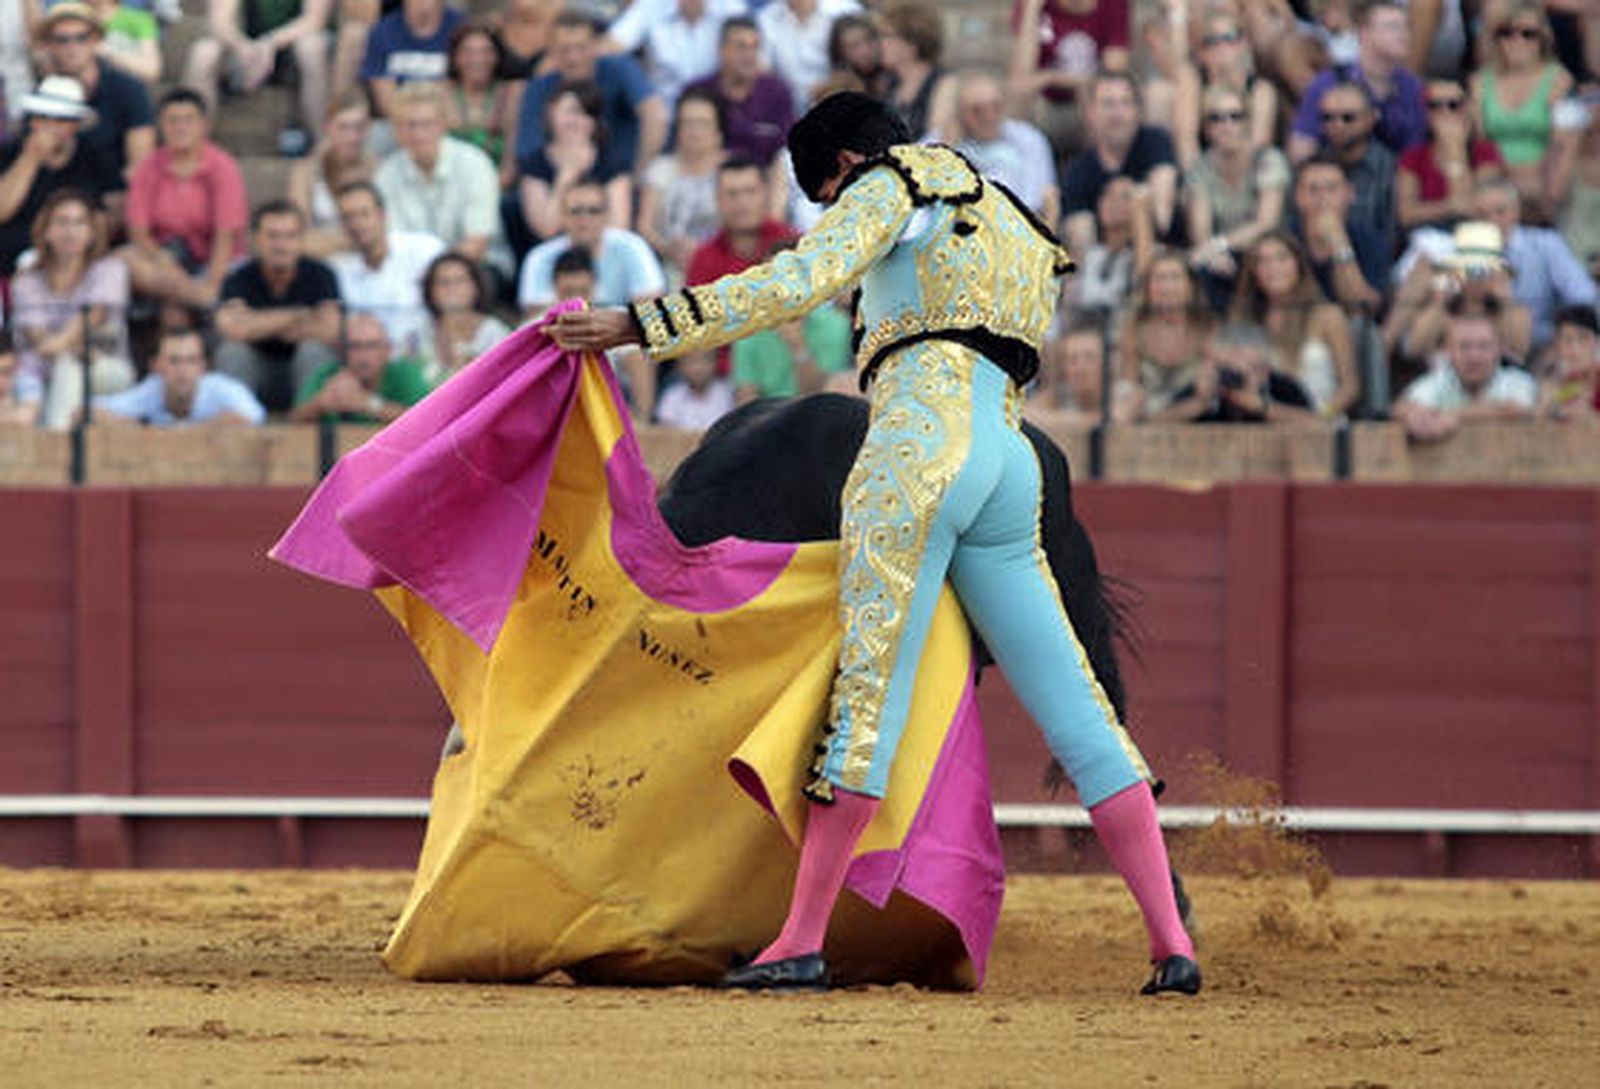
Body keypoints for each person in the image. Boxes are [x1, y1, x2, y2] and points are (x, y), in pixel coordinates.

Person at [551, 92, 1199, 997]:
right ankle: (1172, 941)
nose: (833, 214)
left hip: (918, 446)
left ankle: (801, 940)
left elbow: (790, 285)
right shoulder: (1010, 211)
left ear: (845, 168)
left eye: (827, 196)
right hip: (1007, 454)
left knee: (868, 702)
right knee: (1080, 710)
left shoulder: (885, 187)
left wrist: (638, 325)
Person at [9, 187, 135, 430]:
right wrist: (69, 349)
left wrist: (64, 348)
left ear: (91, 232)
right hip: (40, 370)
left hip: (106, 368)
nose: (70, 231)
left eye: (79, 223)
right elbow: (36, 336)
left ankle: (58, 449)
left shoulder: (110, 269)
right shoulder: (27, 280)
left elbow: (92, 318)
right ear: (46, 231)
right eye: (62, 222)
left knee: (68, 367)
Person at [120, 88, 249, 313]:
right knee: (124, 259)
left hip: (214, 260)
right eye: (173, 121)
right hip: (166, 261)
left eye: (189, 120)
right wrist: (167, 265)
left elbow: (226, 233)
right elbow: (138, 230)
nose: (181, 128)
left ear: (204, 125)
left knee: (175, 305)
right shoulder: (148, 167)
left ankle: (204, 298)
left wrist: (213, 282)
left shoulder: (223, 166)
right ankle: (203, 301)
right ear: (161, 125)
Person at [214, 199, 343, 414]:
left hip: (304, 373)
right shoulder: (238, 277)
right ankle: (239, 426)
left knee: (313, 351)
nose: (281, 245)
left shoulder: (321, 275)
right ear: (254, 239)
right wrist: (298, 315)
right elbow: (234, 330)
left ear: (301, 240)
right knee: (232, 353)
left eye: (290, 236)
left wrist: (256, 323)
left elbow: (329, 331)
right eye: (273, 236)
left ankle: (307, 425)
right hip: (256, 371)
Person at [514, 10, 666, 187]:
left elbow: (654, 113)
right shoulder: (539, 88)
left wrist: (639, 174)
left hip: (622, 180)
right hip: (559, 187)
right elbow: (528, 150)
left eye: (581, 47)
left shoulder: (618, 68)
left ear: (595, 46)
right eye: (565, 49)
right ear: (551, 52)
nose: (574, 58)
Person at [373, 83, 505, 274]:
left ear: (443, 124)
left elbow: (477, 243)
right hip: (412, 272)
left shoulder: (475, 164)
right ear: (397, 130)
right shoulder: (386, 175)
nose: (419, 134)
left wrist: (436, 278)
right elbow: (393, 243)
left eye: (427, 124)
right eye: (410, 125)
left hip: (476, 267)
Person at [35, 1, 155, 208]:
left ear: (96, 40)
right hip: (56, 210)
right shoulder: (42, 95)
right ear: (50, 45)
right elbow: (46, 161)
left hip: (114, 205)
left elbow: (141, 168)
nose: (72, 47)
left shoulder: (128, 90)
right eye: (61, 40)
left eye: (81, 38)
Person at [1469, 0, 1579, 219]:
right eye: (1507, 33)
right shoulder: (1480, 82)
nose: (1517, 41)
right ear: (1496, 38)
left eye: (1528, 33)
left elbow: (1561, 145)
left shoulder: (1559, 80)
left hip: (1542, 179)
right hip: (1494, 181)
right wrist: (1502, 175)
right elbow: (1479, 143)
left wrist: (1540, 183)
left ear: (1543, 38)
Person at [1230, 230, 1360, 416]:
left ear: (1298, 265)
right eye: (1263, 261)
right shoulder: (1243, 319)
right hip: (1262, 421)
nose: (1273, 268)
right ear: (1253, 271)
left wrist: (1321, 416)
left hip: (1319, 422)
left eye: (1282, 259)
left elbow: (1350, 388)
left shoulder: (1328, 316)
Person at [0, 76, 117, 280]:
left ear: (75, 125)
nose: (50, 126)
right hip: (10, 256)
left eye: (61, 119)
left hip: (73, 256)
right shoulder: (9, 153)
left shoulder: (93, 156)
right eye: (43, 117)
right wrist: (30, 158)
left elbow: (104, 217)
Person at [1183, 84, 1290, 303]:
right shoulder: (1201, 167)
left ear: (1247, 123)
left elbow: (1266, 223)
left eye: (1235, 116)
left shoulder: (1268, 159)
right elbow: (1201, 230)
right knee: (1204, 271)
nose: (1226, 125)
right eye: (1216, 118)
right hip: (1225, 255)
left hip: (1269, 248)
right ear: (1207, 128)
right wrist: (1212, 253)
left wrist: (1218, 245)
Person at [182, 0, 333, 152]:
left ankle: (323, 145)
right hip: (244, 52)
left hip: (291, 53)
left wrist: (269, 44)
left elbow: (314, 21)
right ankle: (193, 147)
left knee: (312, 47)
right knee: (204, 53)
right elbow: (220, 23)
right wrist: (245, 49)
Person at [1288, 0, 1426, 162]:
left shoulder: (1412, 87)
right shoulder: (1328, 83)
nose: (1403, 34)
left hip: (1394, 179)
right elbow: (1301, 150)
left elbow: (1417, 154)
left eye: (1406, 26)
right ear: (1364, 33)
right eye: (1392, 27)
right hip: (1338, 176)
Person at [1060, 71, 1179, 258]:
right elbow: (1081, 245)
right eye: (1109, 104)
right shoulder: (1077, 171)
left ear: (1139, 111)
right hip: (1105, 264)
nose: (1118, 114)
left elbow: (1161, 219)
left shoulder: (1156, 142)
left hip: (1161, 258)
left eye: (1126, 103)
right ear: (1091, 113)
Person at [1472, 178, 1598, 354]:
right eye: (1482, 215)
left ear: (1516, 211)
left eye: (1500, 211)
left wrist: (1563, 339)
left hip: (1546, 347)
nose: (1491, 221)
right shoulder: (1461, 255)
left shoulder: (1546, 244)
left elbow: (1583, 296)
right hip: (1479, 349)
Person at [516, 176, 665, 320]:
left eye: (593, 211)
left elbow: (651, 311)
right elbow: (535, 319)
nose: (585, 219)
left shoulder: (632, 247)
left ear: (607, 215)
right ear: (562, 216)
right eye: (576, 211)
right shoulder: (540, 257)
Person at [328, 181, 446, 357]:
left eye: (364, 214)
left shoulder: (425, 249)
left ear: (382, 215)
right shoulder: (338, 269)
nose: (356, 224)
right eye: (348, 217)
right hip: (368, 366)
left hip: (424, 356)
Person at [1006, 0, 1131, 159]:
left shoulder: (1113, 4)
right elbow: (1021, 74)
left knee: (1096, 94)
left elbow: (1114, 74)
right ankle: (1020, 172)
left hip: (1088, 104)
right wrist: (1031, 10)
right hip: (1044, 105)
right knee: (1017, 91)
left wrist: (1051, 78)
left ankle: (1098, 171)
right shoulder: (1032, 5)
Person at [1394, 304, 1537, 441]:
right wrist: (1417, 417)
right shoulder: (1438, 381)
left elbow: (1515, 410)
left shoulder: (1517, 381)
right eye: (1464, 347)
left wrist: (1450, 417)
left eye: (1484, 346)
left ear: (1499, 350)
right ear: (1448, 351)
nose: (1474, 356)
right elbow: (1404, 408)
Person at [517, 78, 632, 243]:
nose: (577, 120)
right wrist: (566, 175)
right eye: (570, 111)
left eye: (586, 113)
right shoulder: (534, 165)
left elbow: (618, 228)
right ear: (551, 112)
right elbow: (546, 229)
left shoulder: (613, 163)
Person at [94, 324, 266, 426]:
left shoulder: (222, 389)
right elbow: (89, 412)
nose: (183, 369)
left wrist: (184, 432)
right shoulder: (151, 391)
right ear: (156, 366)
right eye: (174, 361)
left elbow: (254, 417)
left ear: (203, 367)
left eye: (191, 360)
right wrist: (138, 427)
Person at [637, 87, 728, 280]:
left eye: (702, 123)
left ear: (719, 131)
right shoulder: (660, 169)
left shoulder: (732, 170)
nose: (694, 131)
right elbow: (645, 225)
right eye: (688, 123)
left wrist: (705, 252)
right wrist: (669, 248)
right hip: (668, 264)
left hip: (723, 265)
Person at [1395, 78, 1507, 233]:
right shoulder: (1413, 157)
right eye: (1434, 105)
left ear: (1467, 108)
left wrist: (1456, 151)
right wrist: (1450, 206)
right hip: (1428, 238)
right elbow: (1406, 215)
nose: (1445, 112)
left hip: (1474, 236)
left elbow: (1475, 208)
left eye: (1453, 105)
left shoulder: (1485, 152)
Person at [949, 70, 1059, 228]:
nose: (989, 115)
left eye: (996, 106)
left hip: (1016, 229)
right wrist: (950, 143)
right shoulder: (944, 141)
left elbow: (1035, 201)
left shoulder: (1029, 139)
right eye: (977, 110)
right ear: (960, 113)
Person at [682, 17, 794, 167]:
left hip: (766, 181)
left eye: (755, 47)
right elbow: (684, 147)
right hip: (708, 178)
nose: (750, 55)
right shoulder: (698, 92)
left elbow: (785, 151)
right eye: (741, 47)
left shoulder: (777, 92)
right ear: (721, 50)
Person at [1171, 12, 1279, 168]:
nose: (1221, 47)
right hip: (1202, 174)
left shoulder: (1260, 90)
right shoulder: (1192, 83)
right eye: (1212, 41)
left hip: (1247, 174)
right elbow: (1185, 140)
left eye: (1229, 39)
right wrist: (1199, 182)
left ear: (1243, 43)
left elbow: (1259, 146)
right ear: (1201, 52)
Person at [1117, 249, 1214, 421]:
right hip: (1144, 422)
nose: (1166, 287)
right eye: (1159, 279)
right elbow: (1127, 387)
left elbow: (1206, 398)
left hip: (1198, 423)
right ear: (1148, 289)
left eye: (1175, 278)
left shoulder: (1207, 329)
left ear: (1190, 287)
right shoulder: (1133, 329)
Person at [1158, 320, 1319, 424]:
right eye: (1228, 367)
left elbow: (1320, 425)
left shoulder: (1281, 386)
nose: (1237, 375)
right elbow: (1152, 424)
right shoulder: (1208, 384)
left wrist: (1262, 407)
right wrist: (1199, 404)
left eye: (1251, 367)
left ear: (1264, 370)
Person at [288, 310, 431, 423]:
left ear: (387, 350)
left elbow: (426, 421)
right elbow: (292, 421)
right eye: (355, 346)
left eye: (372, 345)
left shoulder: (404, 374)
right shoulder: (327, 374)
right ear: (341, 350)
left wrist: (369, 404)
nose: (363, 354)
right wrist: (320, 404)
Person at [600, 0, 744, 112]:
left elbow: (754, 60)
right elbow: (610, 46)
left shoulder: (731, 7)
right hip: (665, 115)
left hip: (719, 113)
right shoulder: (652, 6)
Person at [287, 90, 379, 257]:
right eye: (343, 127)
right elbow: (298, 235)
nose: (352, 136)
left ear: (368, 129)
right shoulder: (307, 171)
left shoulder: (377, 168)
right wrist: (352, 241)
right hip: (321, 259)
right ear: (328, 128)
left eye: (359, 127)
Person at [1289, 154, 1385, 314]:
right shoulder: (1286, 238)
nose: (1323, 199)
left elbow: (1363, 307)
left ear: (1350, 194)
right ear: (1298, 196)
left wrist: (1339, 243)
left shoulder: (1368, 237)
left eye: (1331, 189)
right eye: (1313, 190)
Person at [441, 19, 523, 190]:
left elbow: (511, 160)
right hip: (449, 188)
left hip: (498, 188)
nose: (477, 59)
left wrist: (486, 192)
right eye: (467, 52)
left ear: (497, 56)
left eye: (486, 51)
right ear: (455, 57)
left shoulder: (513, 93)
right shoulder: (439, 93)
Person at [360, 0, 463, 124]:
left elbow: (463, 86)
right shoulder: (383, 31)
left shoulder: (459, 27)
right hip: (398, 123)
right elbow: (383, 94)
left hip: (449, 121)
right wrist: (415, 125)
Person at [417, 249, 510, 385]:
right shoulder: (420, 333)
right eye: (443, 282)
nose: (452, 288)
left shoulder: (495, 333)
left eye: (460, 281)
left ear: (476, 287)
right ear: (430, 290)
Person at [1025, 317, 1137, 427]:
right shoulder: (1059, 396)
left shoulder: (1127, 395)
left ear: (1108, 363)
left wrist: (1060, 420)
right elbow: (1024, 416)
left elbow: (1112, 422)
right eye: (1073, 360)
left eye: (1090, 357)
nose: (1080, 369)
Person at [756, 0, 862, 113]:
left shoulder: (846, 10)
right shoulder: (767, 17)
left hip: (840, 102)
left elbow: (860, 64)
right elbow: (762, 69)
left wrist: (829, 88)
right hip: (788, 109)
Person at [876, 1, 956, 142]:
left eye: (886, 35)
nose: (880, 42)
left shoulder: (943, 83)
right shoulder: (890, 84)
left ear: (912, 42)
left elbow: (937, 140)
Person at [1539, 304, 1598, 420]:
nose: (1575, 349)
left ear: (1596, 343)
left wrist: (1590, 416)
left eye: (1583, 339)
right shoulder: (1552, 383)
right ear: (1557, 344)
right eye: (1567, 340)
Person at [655, 347, 733, 429]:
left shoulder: (726, 394)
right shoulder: (672, 396)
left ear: (715, 362)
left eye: (705, 360)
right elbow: (664, 430)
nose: (698, 368)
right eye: (691, 361)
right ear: (680, 365)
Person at [0, 329, 44, 426]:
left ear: (16, 366)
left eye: (6, 372)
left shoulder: (27, 381)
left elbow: (26, 417)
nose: (0, 380)